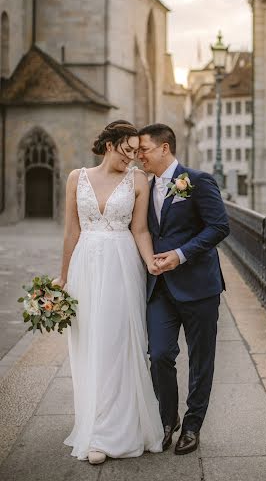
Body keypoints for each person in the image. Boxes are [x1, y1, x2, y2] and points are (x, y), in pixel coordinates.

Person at [54, 120, 164, 464]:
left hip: (121, 265)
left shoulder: (138, 181)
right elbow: (71, 231)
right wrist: (62, 278)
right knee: (89, 343)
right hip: (85, 265)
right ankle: (94, 424)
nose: (132, 158)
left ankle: (113, 432)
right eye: (127, 150)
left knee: (117, 342)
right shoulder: (77, 178)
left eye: (137, 151)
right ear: (109, 146)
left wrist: (151, 263)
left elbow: (141, 229)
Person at [138, 123, 230, 455]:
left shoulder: (198, 180)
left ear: (164, 148)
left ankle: (192, 425)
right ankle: (167, 419)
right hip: (160, 288)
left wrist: (180, 255)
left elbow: (220, 226)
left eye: (144, 149)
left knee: (201, 359)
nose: (139, 157)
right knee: (160, 354)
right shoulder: (144, 188)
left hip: (199, 287)